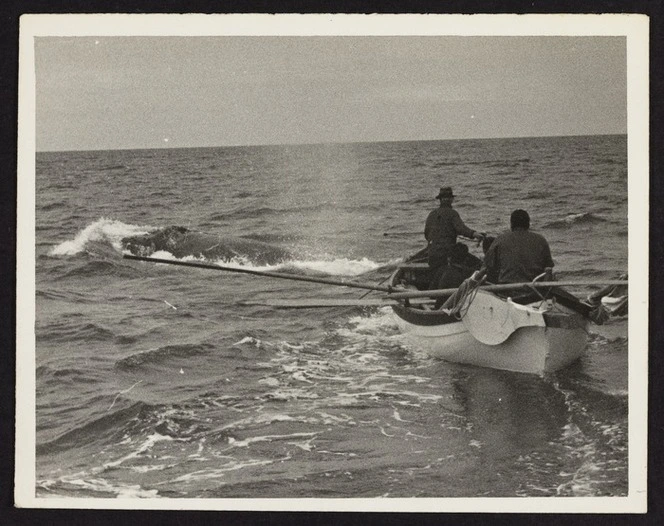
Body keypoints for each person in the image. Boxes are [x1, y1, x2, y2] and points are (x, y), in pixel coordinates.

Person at [424, 186, 484, 288]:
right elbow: (461, 229)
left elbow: (426, 234)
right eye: (447, 198)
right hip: (447, 257)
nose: (448, 199)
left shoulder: (432, 214)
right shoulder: (452, 213)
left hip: (432, 256)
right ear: (451, 200)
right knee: (478, 264)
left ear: (440, 199)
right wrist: (474, 234)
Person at [482, 209, 554, 284]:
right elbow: (548, 270)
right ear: (528, 224)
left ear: (511, 224)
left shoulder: (499, 239)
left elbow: (485, 269)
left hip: (506, 290)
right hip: (534, 290)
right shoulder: (541, 240)